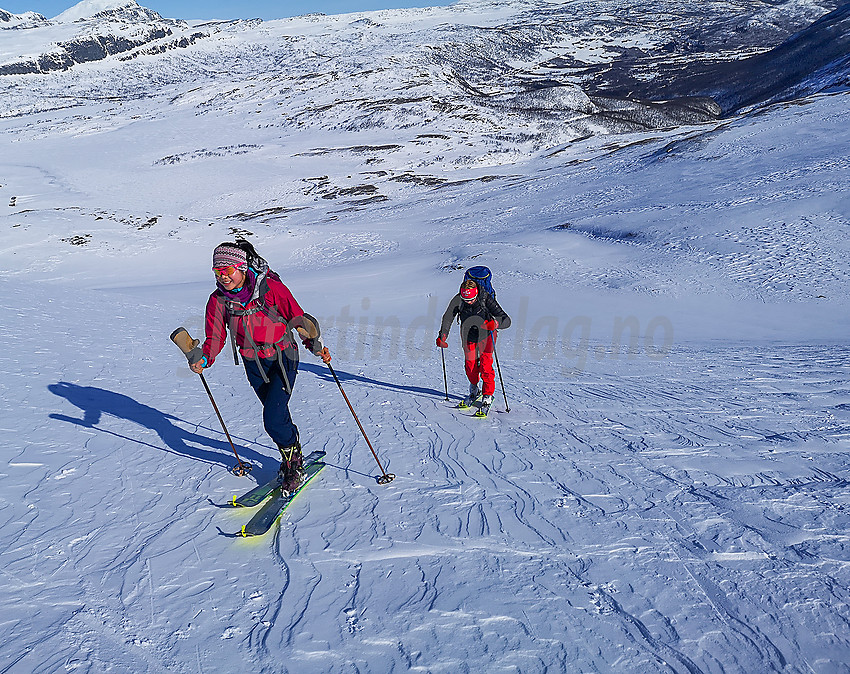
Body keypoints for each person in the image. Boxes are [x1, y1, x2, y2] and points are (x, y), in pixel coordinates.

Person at [190, 241, 331, 492]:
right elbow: (215, 337)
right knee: (276, 412)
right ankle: (292, 447)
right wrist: (205, 359)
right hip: (252, 362)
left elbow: (297, 317)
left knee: (273, 416)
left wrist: (315, 345)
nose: (223, 277)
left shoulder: (271, 288)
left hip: (282, 355)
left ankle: (292, 463)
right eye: (217, 272)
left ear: (242, 267)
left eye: (228, 270)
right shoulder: (218, 301)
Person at [436, 278, 511, 413]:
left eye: (471, 299)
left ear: (476, 294)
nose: (468, 302)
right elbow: (448, 317)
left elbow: (506, 319)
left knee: (485, 365)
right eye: (466, 300)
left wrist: (495, 323)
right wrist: (443, 335)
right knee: (470, 366)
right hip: (468, 335)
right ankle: (474, 390)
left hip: (487, 335)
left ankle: (487, 395)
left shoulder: (485, 298)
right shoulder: (458, 299)